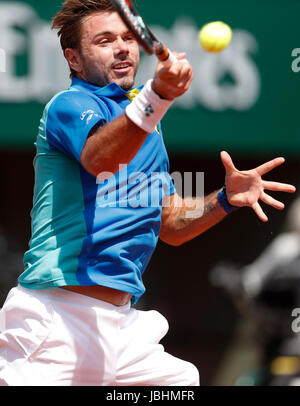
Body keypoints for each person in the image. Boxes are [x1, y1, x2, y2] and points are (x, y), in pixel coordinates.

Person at [0, 0, 296, 386]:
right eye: (104, 40)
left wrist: (224, 198)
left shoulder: (147, 128)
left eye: (127, 37)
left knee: (179, 384)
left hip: (124, 330)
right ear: (73, 59)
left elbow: (170, 223)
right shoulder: (69, 105)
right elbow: (99, 158)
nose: (122, 47)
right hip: (56, 320)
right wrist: (156, 96)